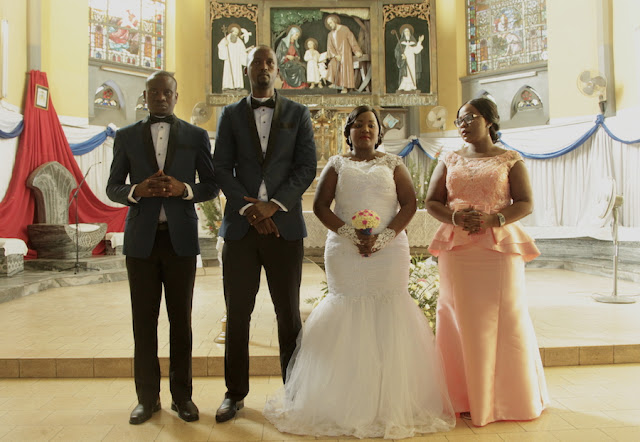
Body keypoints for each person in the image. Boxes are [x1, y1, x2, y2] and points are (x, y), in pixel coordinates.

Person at [263, 106, 455, 439]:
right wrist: (350, 234)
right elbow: (320, 206)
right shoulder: (336, 164)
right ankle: (341, 402)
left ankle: (390, 402)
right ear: (348, 131)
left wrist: (386, 236)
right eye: (358, 125)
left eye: (371, 125)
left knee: (389, 313)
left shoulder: (393, 163)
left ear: (379, 132)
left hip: (389, 251)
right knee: (346, 310)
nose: (365, 129)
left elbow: (409, 204)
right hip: (345, 250)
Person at [425, 97, 549, 427]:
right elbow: (432, 201)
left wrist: (495, 219)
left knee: (504, 318)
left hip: (498, 251)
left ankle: (507, 399)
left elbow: (525, 202)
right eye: (459, 120)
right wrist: (454, 217)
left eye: (470, 117)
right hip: (458, 251)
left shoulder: (509, 159)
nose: (463, 125)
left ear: (489, 120)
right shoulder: (449, 158)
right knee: (458, 318)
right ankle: (461, 397)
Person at [106, 71, 218, 425]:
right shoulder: (125, 136)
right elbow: (112, 186)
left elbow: (211, 184)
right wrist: (136, 190)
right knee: (143, 322)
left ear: (175, 96)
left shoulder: (196, 136)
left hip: (180, 240)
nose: (160, 97)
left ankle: (182, 397)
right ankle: (147, 399)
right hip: (141, 242)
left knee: (181, 322)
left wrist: (184, 189)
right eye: (154, 92)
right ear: (145, 95)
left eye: (166, 92)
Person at [212, 45, 317, 423]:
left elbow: (306, 167)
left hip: (283, 229)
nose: (263, 67)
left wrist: (273, 206)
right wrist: (250, 210)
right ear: (247, 70)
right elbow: (220, 167)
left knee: (288, 314)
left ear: (277, 72)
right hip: (241, 229)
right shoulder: (229, 115)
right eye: (257, 62)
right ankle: (234, 394)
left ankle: (294, 392)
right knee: (237, 314)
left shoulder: (298, 113)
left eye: (269, 62)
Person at [325, 15, 363, 93]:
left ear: (335, 21)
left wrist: (356, 51)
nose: (330, 25)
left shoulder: (345, 29)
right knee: (332, 65)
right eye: (329, 24)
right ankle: (334, 83)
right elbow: (330, 47)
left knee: (344, 69)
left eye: (331, 23)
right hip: (336, 55)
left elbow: (352, 40)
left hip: (345, 53)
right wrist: (335, 55)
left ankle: (344, 87)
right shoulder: (330, 34)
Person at [395, 25, 424, 92]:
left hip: (411, 60)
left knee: (411, 72)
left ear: (410, 33)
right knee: (405, 73)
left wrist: (419, 42)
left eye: (408, 31)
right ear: (403, 33)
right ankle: (403, 86)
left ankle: (412, 86)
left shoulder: (413, 42)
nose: (407, 33)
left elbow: (416, 50)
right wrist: (402, 56)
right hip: (404, 61)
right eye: (405, 31)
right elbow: (397, 51)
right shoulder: (401, 43)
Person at [218, 25, 247, 90]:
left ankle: (237, 86)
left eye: (237, 33)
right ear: (231, 32)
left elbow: (243, 50)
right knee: (228, 72)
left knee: (237, 72)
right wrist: (224, 45)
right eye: (234, 32)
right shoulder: (226, 39)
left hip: (237, 60)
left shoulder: (239, 41)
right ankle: (227, 86)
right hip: (229, 60)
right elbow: (220, 46)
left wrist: (246, 53)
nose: (235, 34)